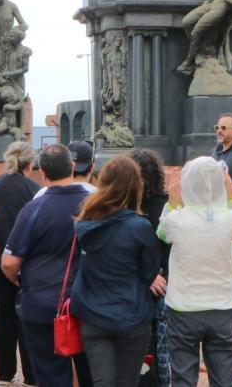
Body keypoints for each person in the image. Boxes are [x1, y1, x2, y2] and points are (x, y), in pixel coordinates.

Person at [157, 156, 232, 387]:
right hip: (221, 308)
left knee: (182, 376)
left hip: (183, 308)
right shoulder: (229, 218)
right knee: (223, 378)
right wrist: (231, 197)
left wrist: (172, 200)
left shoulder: (177, 219)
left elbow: (162, 233)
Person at [1, 144, 92, 387]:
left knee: (51, 376)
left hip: (42, 303)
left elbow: (9, 262)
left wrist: (20, 280)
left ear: (43, 173)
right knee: (93, 374)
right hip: (89, 302)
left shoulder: (34, 208)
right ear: (72, 168)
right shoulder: (95, 204)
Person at [71, 155, 161, 386]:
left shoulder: (83, 224)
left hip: (92, 313)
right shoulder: (139, 226)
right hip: (131, 314)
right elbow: (149, 272)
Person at [0, 141, 38, 386]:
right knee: (26, 320)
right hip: (28, 266)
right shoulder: (34, 190)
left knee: (4, 319)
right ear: (31, 163)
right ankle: (31, 376)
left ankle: (5, 376)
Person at [128, 148, 171, 386]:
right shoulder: (167, 206)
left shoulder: (125, 209)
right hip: (164, 286)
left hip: (134, 289)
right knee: (159, 351)